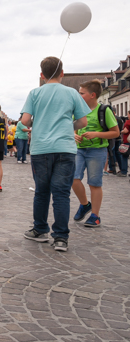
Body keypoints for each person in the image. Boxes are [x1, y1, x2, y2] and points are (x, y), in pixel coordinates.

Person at [21, 56, 90, 252]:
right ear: (62, 73)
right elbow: (83, 122)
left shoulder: (35, 93)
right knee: (61, 194)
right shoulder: (71, 93)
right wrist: (69, 126)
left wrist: (39, 122)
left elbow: (25, 121)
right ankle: (61, 238)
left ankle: (40, 230)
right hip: (65, 148)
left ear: (41, 75)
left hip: (41, 148)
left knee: (42, 192)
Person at [71, 80, 119, 228]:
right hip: (79, 150)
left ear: (92, 95)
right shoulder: (78, 111)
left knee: (94, 183)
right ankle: (85, 204)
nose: (79, 95)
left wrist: (97, 134)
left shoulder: (104, 110)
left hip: (97, 151)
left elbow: (115, 132)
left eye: (81, 93)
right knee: (73, 178)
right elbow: (72, 128)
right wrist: (74, 135)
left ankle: (95, 216)